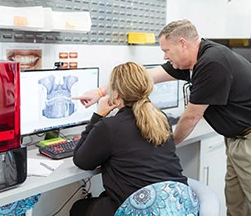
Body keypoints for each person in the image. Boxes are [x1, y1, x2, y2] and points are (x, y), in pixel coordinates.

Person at [75, 20, 251, 216]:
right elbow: (144, 77)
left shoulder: (211, 63)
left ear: (183, 44)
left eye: (166, 50)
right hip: (238, 137)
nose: (164, 56)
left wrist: (166, 142)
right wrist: (101, 91)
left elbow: (191, 116)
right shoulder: (190, 63)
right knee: (236, 203)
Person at [70, 62, 187, 216]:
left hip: (144, 210)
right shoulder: (160, 118)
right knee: (104, 199)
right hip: (176, 206)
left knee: (80, 208)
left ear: (116, 94)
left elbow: (81, 160)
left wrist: (98, 116)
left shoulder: (110, 126)